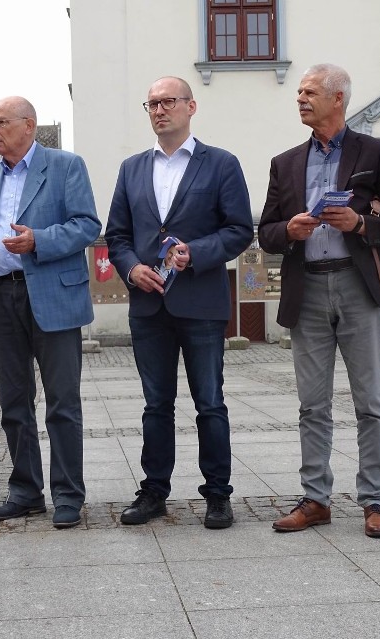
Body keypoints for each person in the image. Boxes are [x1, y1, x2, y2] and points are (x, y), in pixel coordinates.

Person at [258, 63, 380, 538]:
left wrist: (361, 224)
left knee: (370, 400)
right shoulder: (285, 162)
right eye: (299, 93)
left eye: (310, 92)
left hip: (357, 286)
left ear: (338, 99)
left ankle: (374, 500)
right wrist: (288, 229)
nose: (301, 99)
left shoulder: (374, 151)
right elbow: (265, 232)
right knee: (312, 404)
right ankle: (315, 499)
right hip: (306, 287)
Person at [104, 76, 254, 529]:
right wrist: (130, 268)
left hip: (201, 302)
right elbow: (117, 234)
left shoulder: (221, 164)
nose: (159, 110)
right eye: (151, 103)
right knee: (156, 404)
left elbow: (239, 230)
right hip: (149, 305)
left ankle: (217, 494)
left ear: (191, 106)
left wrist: (197, 254)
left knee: (209, 402)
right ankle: (154, 491)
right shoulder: (131, 168)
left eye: (168, 101)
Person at [0, 96, 101, 529]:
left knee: (62, 403)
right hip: (2, 297)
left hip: (53, 296)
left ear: (29, 125)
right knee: (13, 402)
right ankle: (25, 491)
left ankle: (69, 495)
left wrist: (39, 239)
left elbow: (87, 226)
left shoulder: (65, 166)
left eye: (0, 122)